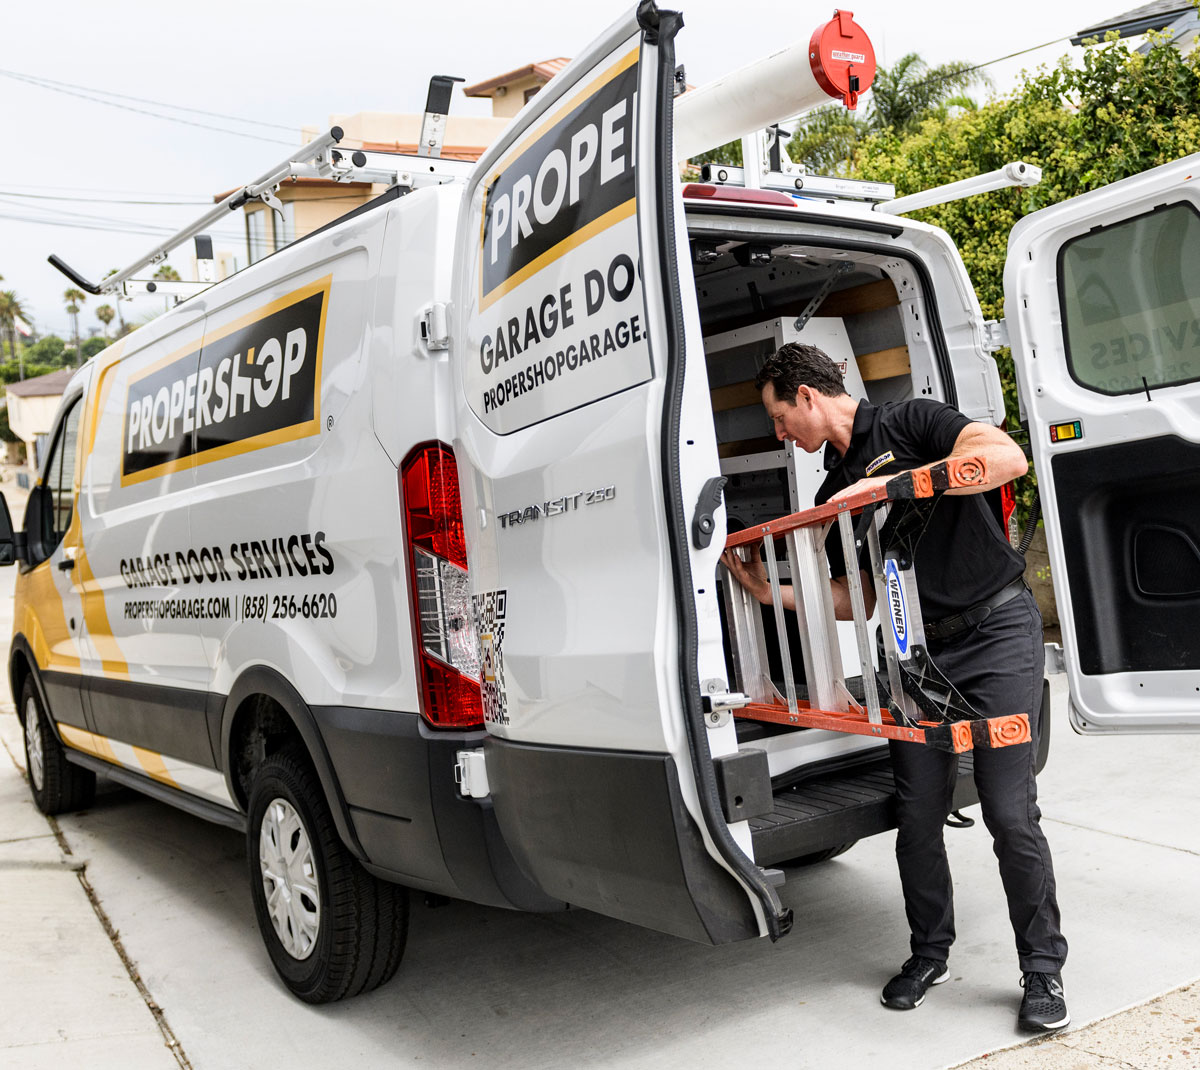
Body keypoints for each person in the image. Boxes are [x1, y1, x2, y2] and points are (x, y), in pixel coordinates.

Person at [721, 342, 1069, 1033]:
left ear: (807, 396)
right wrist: (771, 593)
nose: (781, 434)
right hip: (918, 655)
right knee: (917, 815)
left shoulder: (911, 422)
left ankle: (1042, 971)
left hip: (997, 631)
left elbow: (1004, 459)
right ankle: (929, 953)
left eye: (780, 417)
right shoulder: (830, 489)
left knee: (1007, 808)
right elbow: (859, 597)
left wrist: (893, 486)